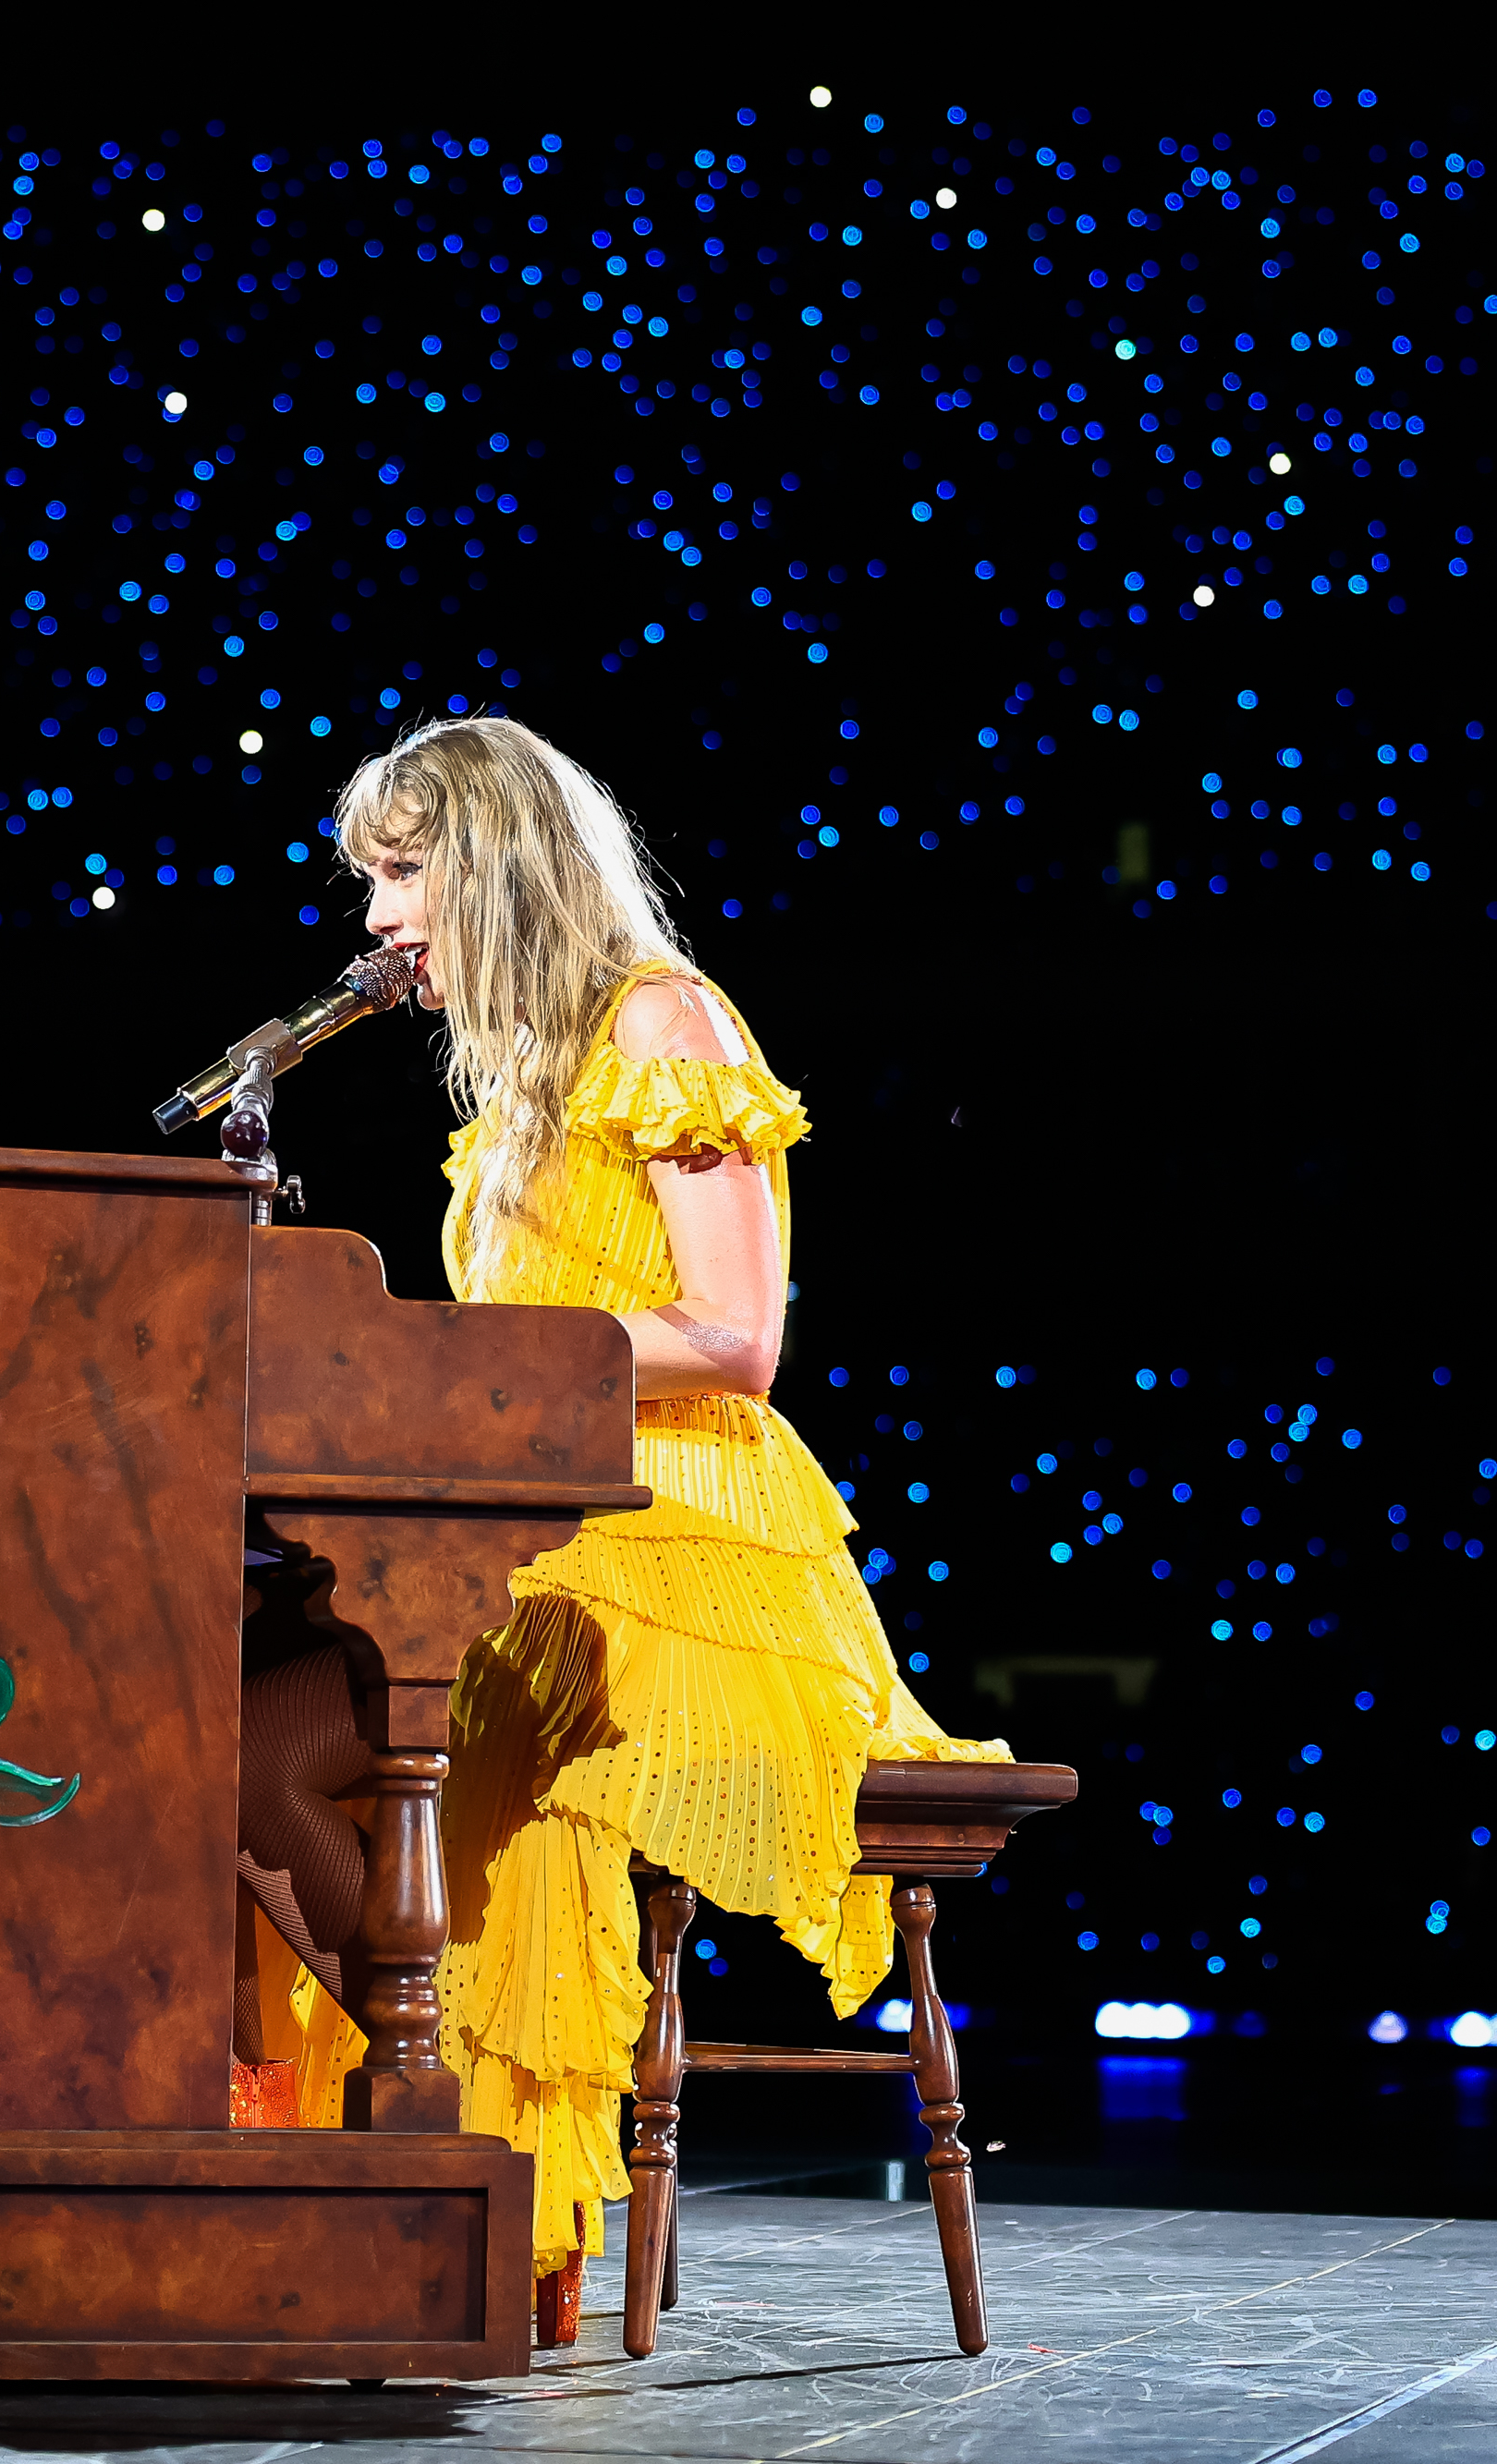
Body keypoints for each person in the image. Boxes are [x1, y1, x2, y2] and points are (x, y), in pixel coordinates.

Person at [334, 713, 1009, 2328]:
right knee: (330, 1706)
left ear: (493, 868)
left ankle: (511, 2240)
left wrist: (474, 1356)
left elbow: (738, 1335)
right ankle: (384, 2184)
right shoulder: (516, 1093)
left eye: (405, 873)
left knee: (503, 1721)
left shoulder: (667, 1021)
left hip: (694, 1535)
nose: (376, 920)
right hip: (550, 1521)